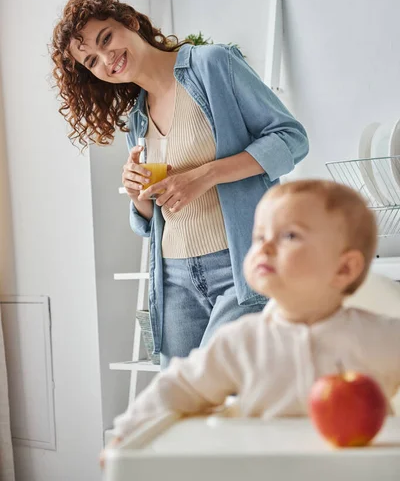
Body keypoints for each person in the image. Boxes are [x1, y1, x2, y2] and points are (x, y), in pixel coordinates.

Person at [50, 0, 309, 369]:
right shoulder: (137, 120)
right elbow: (151, 220)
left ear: (131, 22)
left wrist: (205, 176)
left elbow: (291, 138)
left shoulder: (211, 66)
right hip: (174, 281)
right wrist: (138, 196)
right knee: (184, 406)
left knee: (227, 392)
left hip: (238, 267)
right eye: (92, 61)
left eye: (106, 39)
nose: (107, 59)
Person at [107, 179, 400, 445]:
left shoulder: (382, 338)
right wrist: (127, 433)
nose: (265, 247)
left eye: (290, 236)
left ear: (345, 268)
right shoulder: (241, 342)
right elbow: (178, 386)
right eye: (259, 237)